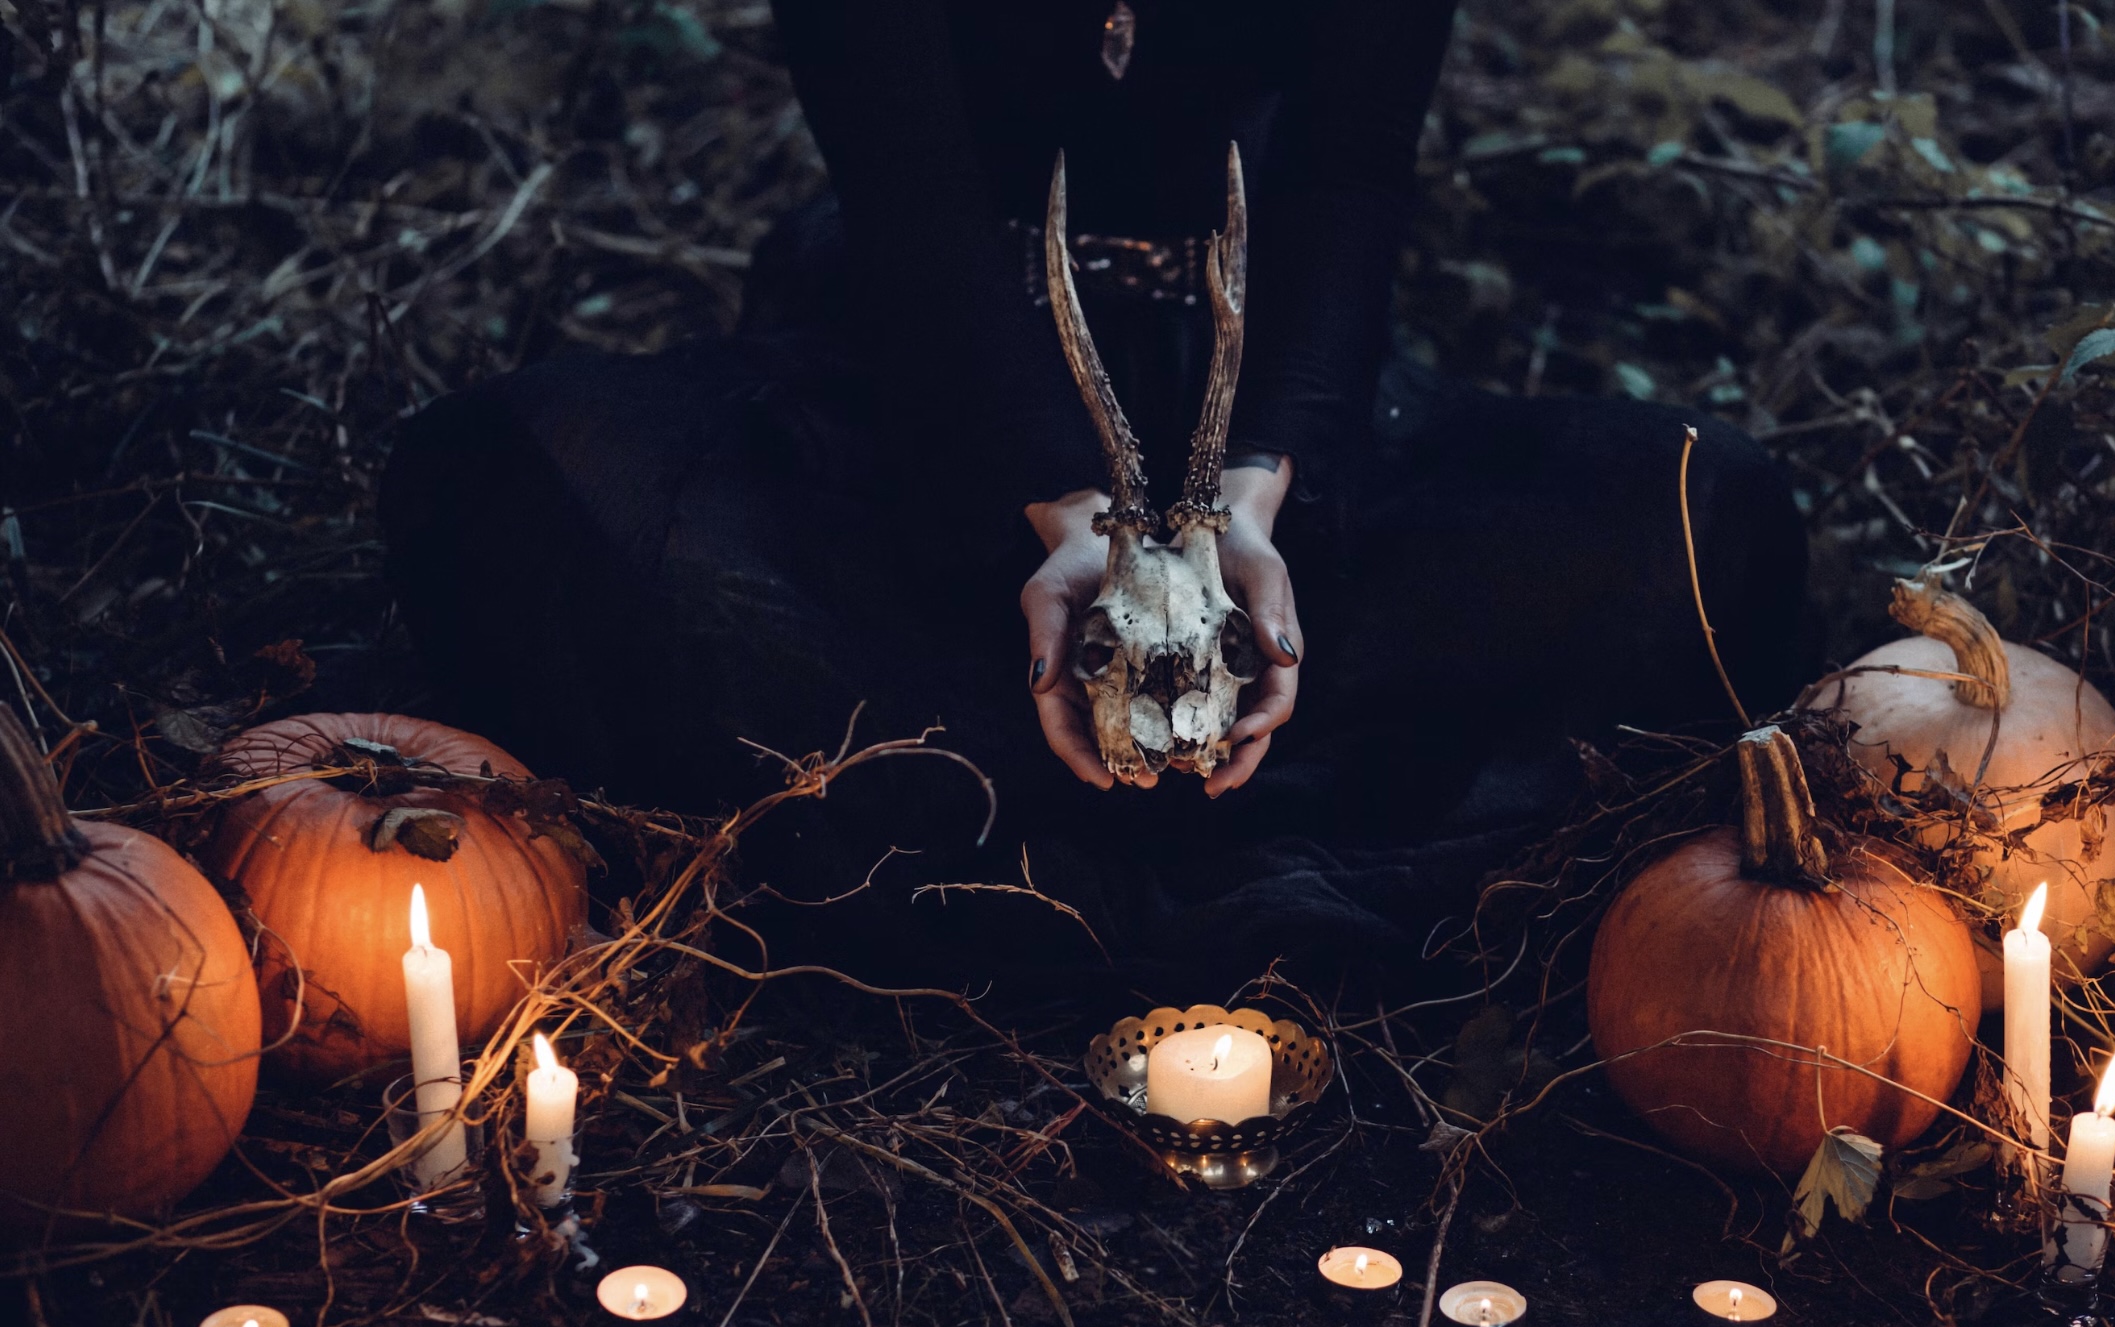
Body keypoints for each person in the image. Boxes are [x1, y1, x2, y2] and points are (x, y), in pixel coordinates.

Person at [379, 0, 1808, 989]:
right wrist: (1061, 513)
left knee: (1699, 515)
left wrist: (1257, 500)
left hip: (1269, 394)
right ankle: (1119, 799)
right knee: (516, 476)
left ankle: (1038, 787)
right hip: (931, 386)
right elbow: (906, 198)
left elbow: (1351, 177)